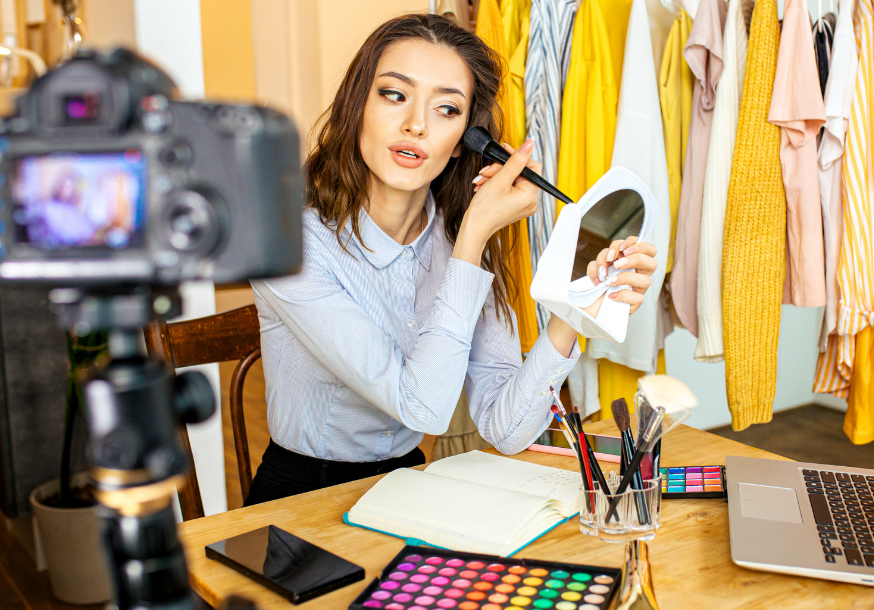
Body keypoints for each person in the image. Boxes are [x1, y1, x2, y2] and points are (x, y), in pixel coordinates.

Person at [245, 13, 659, 506]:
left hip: (405, 488)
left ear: (467, 140)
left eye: (446, 109)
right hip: (300, 499)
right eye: (394, 95)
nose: (416, 124)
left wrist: (576, 307)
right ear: (357, 106)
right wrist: (475, 237)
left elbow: (505, 429)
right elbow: (423, 409)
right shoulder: (290, 249)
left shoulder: (453, 238)